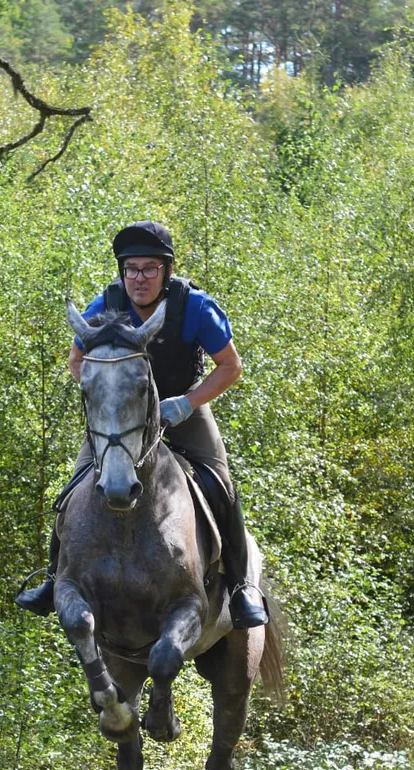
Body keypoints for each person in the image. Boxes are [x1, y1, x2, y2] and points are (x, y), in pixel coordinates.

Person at [15, 220, 270, 629]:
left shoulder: (195, 309)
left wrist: (186, 404)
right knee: (76, 483)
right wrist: (107, 401)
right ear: (122, 272)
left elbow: (231, 366)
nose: (140, 278)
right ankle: (51, 580)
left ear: (166, 272)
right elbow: (77, 360)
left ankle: (241, 588)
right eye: (131, 268)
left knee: (220, 483)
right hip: (123, 419)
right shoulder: (105, 306)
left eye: (150, 268)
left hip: (182, 407)